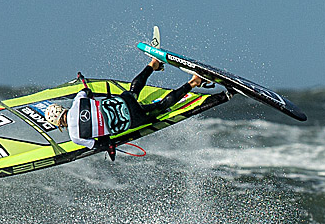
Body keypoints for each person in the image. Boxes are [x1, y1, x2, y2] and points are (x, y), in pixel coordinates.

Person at [43, 57, 207, 158]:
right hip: (123, 102)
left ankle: (194, 82)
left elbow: (99, 145)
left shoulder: (75, 136)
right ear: (61, 109)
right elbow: (85, 91)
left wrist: (109, 147)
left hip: (131, 120)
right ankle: (153, 64)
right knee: (133, 90)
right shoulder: (78, 101)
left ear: (59, 124)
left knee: (161, 106)